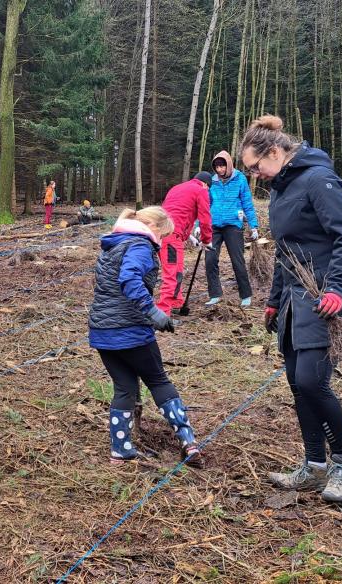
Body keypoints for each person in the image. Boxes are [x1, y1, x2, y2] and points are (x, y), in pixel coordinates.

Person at [241, 114, 342, 503]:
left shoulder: (319, 180)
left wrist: (336, 289)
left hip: (328, 297)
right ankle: (314, 465)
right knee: (298, 382)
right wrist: (272, 301)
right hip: (295, 301)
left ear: (276, 152)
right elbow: (286, 254)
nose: (255, 175)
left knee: (314, 382)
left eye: (256, 166)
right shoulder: (281, 189)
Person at [88, 207, 203, 466]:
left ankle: (121, 450)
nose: (162, 242)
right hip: (130, 330)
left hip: (102, 332)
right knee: (158, 381)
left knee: (124, 388)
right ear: (152, 227)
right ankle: (189, 442)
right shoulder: (140, 245)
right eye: (163, 236)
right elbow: (129, 279)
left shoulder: (113, 243)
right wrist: (154, 313)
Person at [205, 151, 260, 308]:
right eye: (217, 167)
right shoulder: (212, 181)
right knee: (210, 260)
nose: (220, 170)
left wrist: (253, 226)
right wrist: (198, 226)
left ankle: (245, 295)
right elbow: (204, 204)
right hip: (214, 225)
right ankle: (215, 294)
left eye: (222, 166)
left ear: (228, 165)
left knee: (237, 261)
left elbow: (247, 203)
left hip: (233, 225)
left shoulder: (239, 179)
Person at [157, 172, 213, 315]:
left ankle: (176, 303)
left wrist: (189, 236)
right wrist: (206, 240)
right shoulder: (201, 190)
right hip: (171, 237)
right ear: (206, 184)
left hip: (161, 234)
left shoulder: (177, 188)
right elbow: (205, 217)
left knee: (177, 270)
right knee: (171, 274)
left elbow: (177, 213)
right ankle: (162, 314)